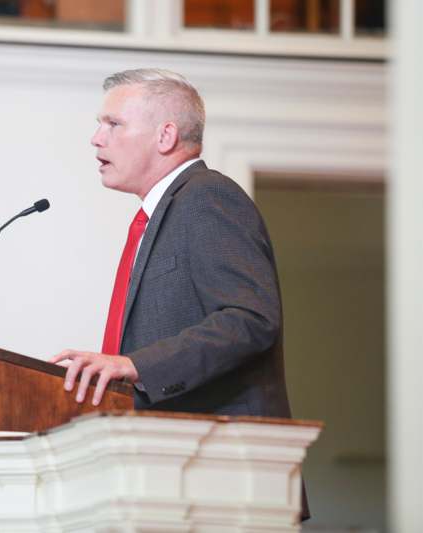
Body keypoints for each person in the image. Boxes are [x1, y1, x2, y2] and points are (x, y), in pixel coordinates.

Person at [50, 67, 296, 421]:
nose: (96, 138)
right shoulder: (164, 213)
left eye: (113, 124)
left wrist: (137, 364)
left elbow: (250, 319)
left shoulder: (207, 195)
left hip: (224, 459)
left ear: (165, 136)